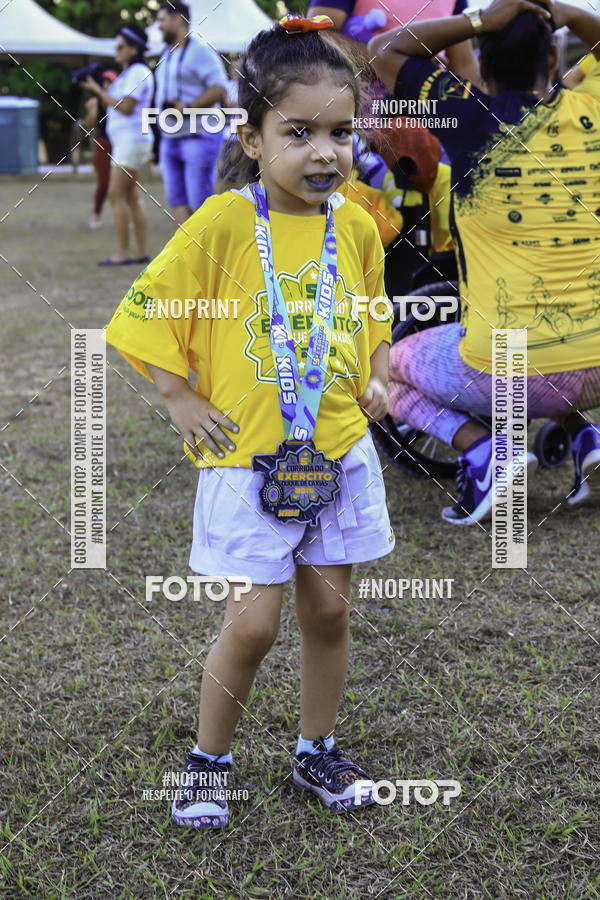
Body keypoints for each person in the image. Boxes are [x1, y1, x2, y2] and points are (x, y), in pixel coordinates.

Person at [106, 13, 394, 829]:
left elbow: (374, 310)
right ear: (253, 138)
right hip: (245, 461)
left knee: (329, 612)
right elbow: (146, 309)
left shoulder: (357, 223)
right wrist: (178, 397)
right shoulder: (225, 223)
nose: (324, 152)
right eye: (298, 132)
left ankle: (316, 750)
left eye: (340, 133)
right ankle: (209, 761)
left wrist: (377, 374)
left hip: (339, 454)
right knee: (254, 624)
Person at [370, 0, 600, 524]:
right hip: (596, 360)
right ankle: (587, 436)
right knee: (555, 335)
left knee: (385, 365)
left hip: (515, 372)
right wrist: (565, 11)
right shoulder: (591, 106)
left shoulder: (470, 117)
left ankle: (483, 449)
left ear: (483, 66)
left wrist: (479, 20)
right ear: (552, 58)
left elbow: (384, 49)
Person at [154, 1, 229, 227]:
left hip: (198, 136)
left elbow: (220, 88)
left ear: (178, 19)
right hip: (170, 138)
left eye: (162, 20)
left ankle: (205, 247)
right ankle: (187, 247)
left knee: (200, 203)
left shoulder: (201, 51)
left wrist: (186, 108)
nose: (158, 26)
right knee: (176, 200)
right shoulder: (166, 54)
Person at [84, 23, 153, 266]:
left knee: (116, 194)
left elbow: (126, 107)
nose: (116, 49)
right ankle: (140, 252)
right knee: (132, 196)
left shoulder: (138, 72)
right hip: (129, 141)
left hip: (131, 141)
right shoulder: (127, 74)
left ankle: (123, 253)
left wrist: (97, 90)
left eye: (121, 46)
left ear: (134, 49)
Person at [84, 70, 118, 230]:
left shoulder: (119, 100)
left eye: (110, 82)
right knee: (104, 182)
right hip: (104, 142)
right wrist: (91, 110)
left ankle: (126, 215)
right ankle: (97, 214)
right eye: (104, 82)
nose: (106, 85)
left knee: (125, 184)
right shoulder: (97, 100)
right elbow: (89, 125)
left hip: (120, 142)